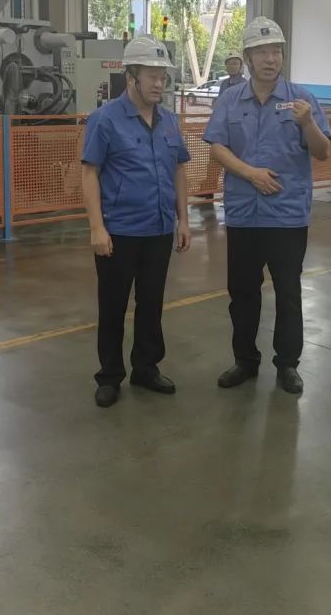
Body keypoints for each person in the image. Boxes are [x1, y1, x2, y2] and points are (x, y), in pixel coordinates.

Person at [204, 17, 331, 394]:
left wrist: (307, 124)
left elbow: (323, 152)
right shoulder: (230, 100)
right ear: (247, 58)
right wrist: (250, 174)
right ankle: (245, 360)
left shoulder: (302, 100)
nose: (270, 59)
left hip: (286, 216)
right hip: (244, 215)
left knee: (288, 293)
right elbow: (216, 147)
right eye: (262, 52)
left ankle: (288, 364)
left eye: (276, 51)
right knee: (242, 293)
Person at [81, 36, 192, 409]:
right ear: (131, 77)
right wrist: (97, 227)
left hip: (158, 229)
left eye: (163, 77)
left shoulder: (169, 121)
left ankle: (146, 367)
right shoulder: (105, 120)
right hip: (119, 231)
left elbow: (179, 169)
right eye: (152, 76)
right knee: (113, 306)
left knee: (152, 303)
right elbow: (90, 173)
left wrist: (183, 219)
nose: (160, 84)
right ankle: (110, 375)